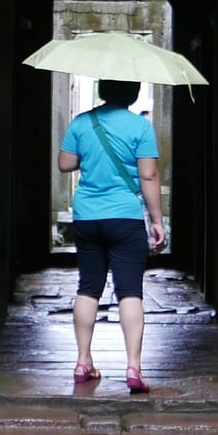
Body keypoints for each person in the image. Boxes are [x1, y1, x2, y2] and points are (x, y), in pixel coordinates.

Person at [59, 78, 166, 394]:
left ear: (102, 90)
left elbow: (65, 164)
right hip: (125, 217)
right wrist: (157, 221)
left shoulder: (82, 122)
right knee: (130, 290)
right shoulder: (140, 127)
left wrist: (88, 153)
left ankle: (82, 361)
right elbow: (148, 174)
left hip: (87, 216)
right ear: (133, 93)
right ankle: (133, 367)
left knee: (88, 287)